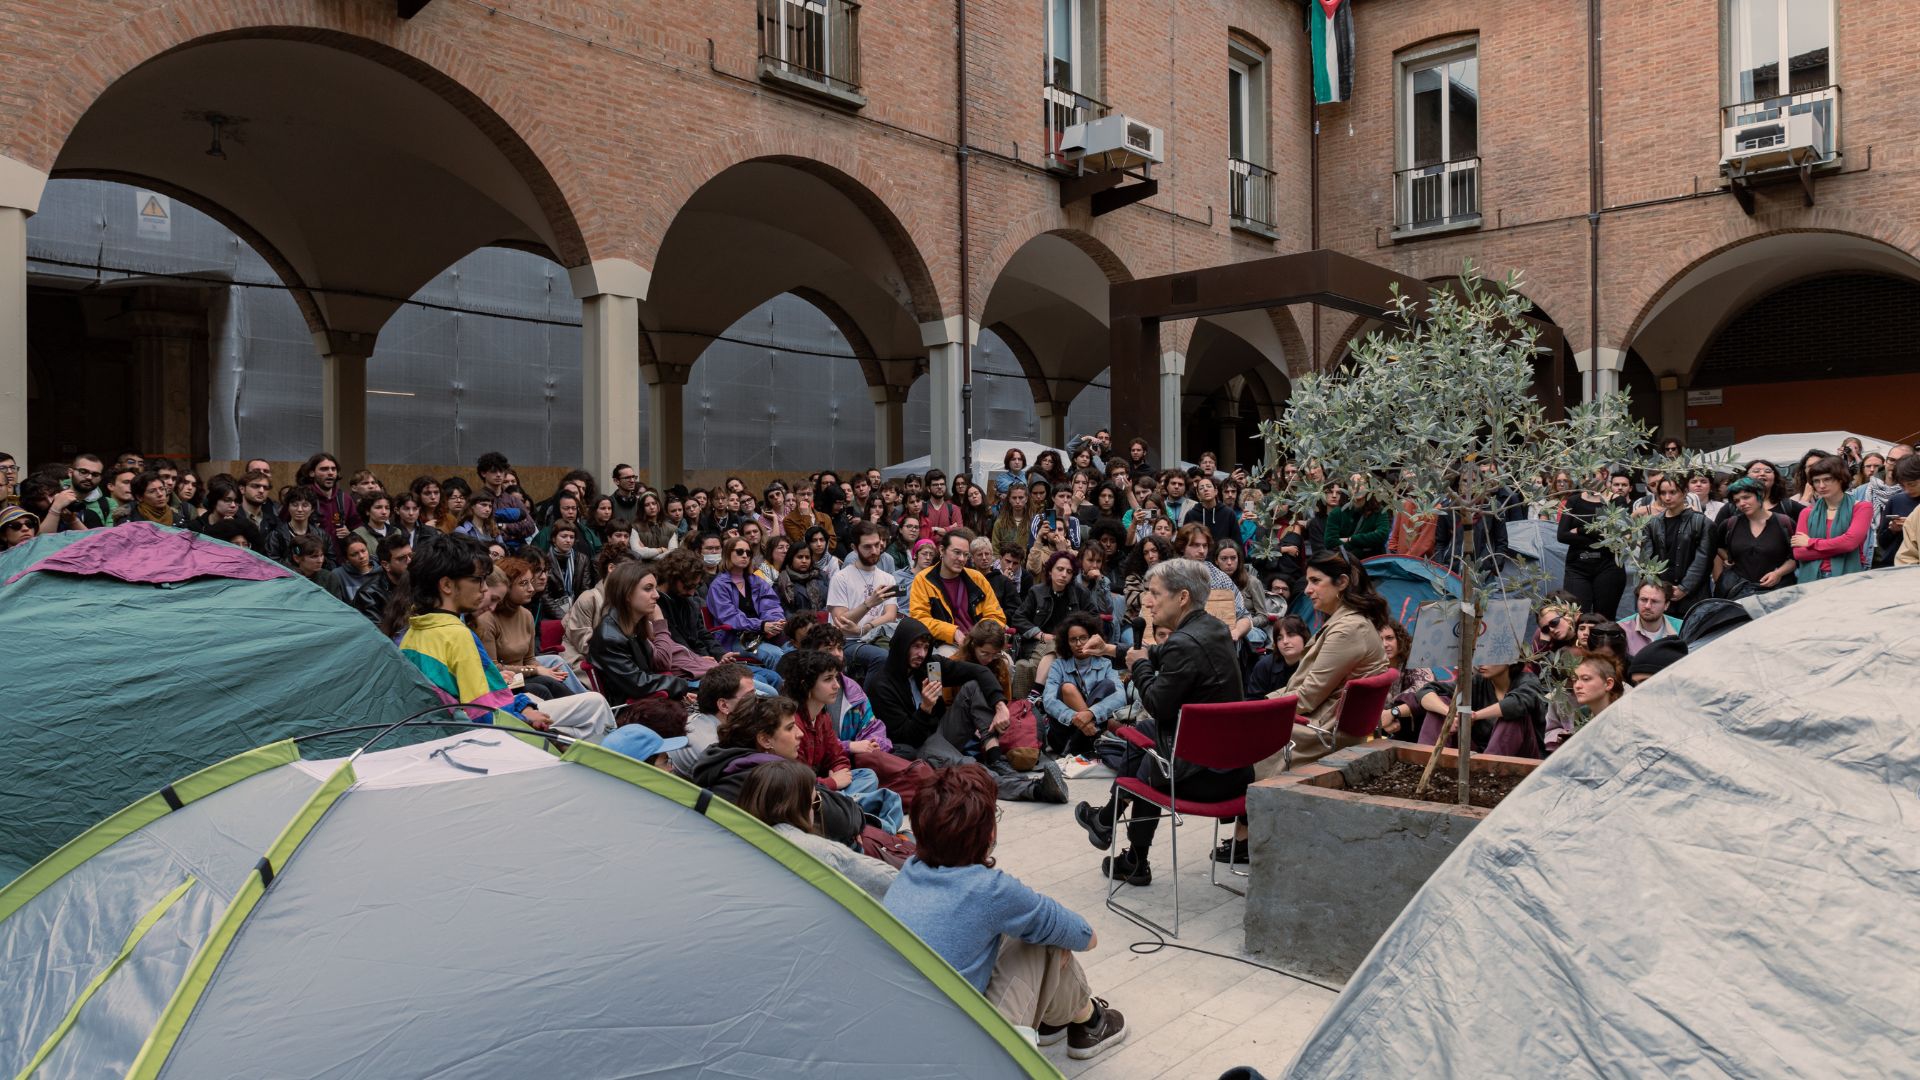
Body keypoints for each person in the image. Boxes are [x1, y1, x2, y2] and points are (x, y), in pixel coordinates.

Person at [885, 764, 1127, 1060]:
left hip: (902, 1032)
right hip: (960, 1052)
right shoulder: (990, 890)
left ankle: (1057, 1017)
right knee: (1047, 941)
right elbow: (1086, 937)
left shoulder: (909, 872)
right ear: (986, 832)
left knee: (1019, 929)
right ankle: (1089, 1020)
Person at [1072, 558, 1248, 884]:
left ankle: (1131, 854)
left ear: (1182, 597)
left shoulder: (1184, 642)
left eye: (1155, 593)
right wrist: (1110, 649)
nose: (1148, 601)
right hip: (1230, 765)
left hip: (1205, 777)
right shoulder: (1213, 628)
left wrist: (1138, 667)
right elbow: (1158, 655)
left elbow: (1156, 703)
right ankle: (1111, 827)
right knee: (1146, 733)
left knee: (1150, 755)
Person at [397, 532, 613, 740]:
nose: (484, 589)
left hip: (451, 728)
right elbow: (482, 713)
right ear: (446, 585)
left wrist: (523, 706)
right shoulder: (457, 635)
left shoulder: (412, 633)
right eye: (479, 580)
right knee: (594, 704)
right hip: (482, 734)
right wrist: (524, 715)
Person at [688, 695, 868, 844]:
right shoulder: (774, 778)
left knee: (868, 780)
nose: (800, 733)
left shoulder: (723, 762)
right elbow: (848, 820)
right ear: (765, 740)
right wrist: (824, 797)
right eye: (790, 728)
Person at [1271, 551, 1389, 766]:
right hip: (1322, 725)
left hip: (1319, 734)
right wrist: (1263, 702)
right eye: (1308, 581)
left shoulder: (1348, 629)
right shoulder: (1348, 622)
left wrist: (1260, 710)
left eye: (1315, 581)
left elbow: (1307, 697)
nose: (1307, 589)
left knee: (1233, 741)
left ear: (1342, 582)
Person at [777, 648, 904, 834]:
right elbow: (797, 781)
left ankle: (844, 806)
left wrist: (838, 772)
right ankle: (856, 814)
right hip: (805, 794)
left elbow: (837, 755)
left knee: (868, 775)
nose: (836, 685)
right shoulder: (793, 724)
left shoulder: (822, 717)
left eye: (836, 678)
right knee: (887, 798)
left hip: (824, 787)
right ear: (806, 685)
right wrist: (832, 782)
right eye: (828, 679)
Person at [737, 760, 897, 901]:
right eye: (816, 802)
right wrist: (854, 850)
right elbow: (893, 884)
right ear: (796, 809)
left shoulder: (735, 839)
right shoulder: (822, 852)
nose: (817, 810)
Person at [590, 561, 699, 708]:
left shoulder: (635, 624)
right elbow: (639, 684)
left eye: (655, 588)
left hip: (649, 701)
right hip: (631, 709)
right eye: (648, 589)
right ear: (627, 594)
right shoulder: (610, 637)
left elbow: (653, 670)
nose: (657, 595)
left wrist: (679, 690)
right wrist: (681, 685)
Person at [480, 555, 587, 697]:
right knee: (543, 686)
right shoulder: (487, 619)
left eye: (531, 582)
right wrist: (536, 670)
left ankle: (584, 700)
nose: (531, 589)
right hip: (501, 681)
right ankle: (583, 702)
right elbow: (493, 668)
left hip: (522, 675)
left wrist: (544, 671)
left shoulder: (526, 615)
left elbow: (529, 659)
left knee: (553, 675)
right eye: (523, 583)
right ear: (506, 587)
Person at [1416, 661, 1548, 758]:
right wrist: (1451, 715)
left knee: (1513, 715)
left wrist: (1473, 716)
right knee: (1441, 703)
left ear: (1510, 658)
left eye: (1489, 657)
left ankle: (1487, 770)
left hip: (1523, 757)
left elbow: (1517, 703)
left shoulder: (1528, 681)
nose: (1481, 662)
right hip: (1478, 755)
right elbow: (1426, 691)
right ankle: (1425, 763)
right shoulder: (1476, 682)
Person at [1039, 612, 1126, 758]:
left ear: (1093, 638)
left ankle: (1090, 738)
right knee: (1067, 688)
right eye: (1073, 640)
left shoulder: (1106, 664)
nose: (1079, 644)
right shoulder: (1058, 665)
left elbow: (1120, 697)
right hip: (1065, 735)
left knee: (1107, 685)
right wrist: (1076, 718)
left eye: (1083, 638)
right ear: (1066, 642)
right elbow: (1048, 700)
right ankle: (1093, 737)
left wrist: (1091, 713)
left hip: (1092, 730)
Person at [826, 521, 900, 685]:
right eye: (867, 547)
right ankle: (865, 700)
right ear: (854, 548)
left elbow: (890, 616)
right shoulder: (841, 578)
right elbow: (840, 622)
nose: (874, 551)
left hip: (876, 637)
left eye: (877, 545)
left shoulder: (888, 578)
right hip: (846, 642)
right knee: (881, 657)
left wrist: (864, 628)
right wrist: (868, 604)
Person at [908, 528, 1008, 650]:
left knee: (1006, 661)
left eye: (965, 555)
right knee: (949, 657)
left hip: (981, 642)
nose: (961, 559)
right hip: (944, 642)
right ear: (942, 550)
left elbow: (996, 616)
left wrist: (980, 635)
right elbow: (920, 618)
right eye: (957, 552)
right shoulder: (924, 580)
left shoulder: (977, 578)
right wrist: (952, 632)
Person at [706, 534, 791, 668]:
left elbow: (771, 605)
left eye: (748, 552)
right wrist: (762, 625)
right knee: (775, 655)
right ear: (728, 554)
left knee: (793, 651)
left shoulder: (756, 581)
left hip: (763, 633)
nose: (745, 555)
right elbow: (729, 617)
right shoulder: (719, 585)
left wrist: (774, 623)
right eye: (739, 552)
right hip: (736, 639)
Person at [1559, 468, 1629, 620]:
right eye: (1584, 476)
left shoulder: (1617, 501)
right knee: (1576, 616)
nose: (1588, 479)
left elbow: (1616, 535)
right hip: (1577, 567)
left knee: (1604, 619)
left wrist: (1581, 529)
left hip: (1608, 566)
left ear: (1604, 475)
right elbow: (1562, 535)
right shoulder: (1574, 501)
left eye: (1592, 475)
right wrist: (1599, 538)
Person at [1640, 475, 1712, 617]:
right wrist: (1656, 588)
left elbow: (1704, 560)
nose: (1667, 497)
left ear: (1684, 492)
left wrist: (1684, 588)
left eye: (1673, 492)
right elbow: (1646, 559)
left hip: (1694, 595)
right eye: (1663, 493)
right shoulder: (1652, 524)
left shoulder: (1702, 522)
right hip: (1662, 593)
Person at [1792, 453, 1871, 582]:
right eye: (1816, 481)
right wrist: (1839, 547)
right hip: (1813, 577)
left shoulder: (1861, 508)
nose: (1821, 485)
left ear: (1840, 479)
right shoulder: (1806, 512)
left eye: (1827, 479)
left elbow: (1849, 543)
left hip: (1848, 578)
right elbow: (1799, 553)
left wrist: (1810, 542)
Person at [1713, 477, 1797, 595]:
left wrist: (1778, 573)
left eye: (1746, 497)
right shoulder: (1730, 524)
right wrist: (1728, 558)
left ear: (1760, 494)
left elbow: (1795, 557)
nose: (1742, 503)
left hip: (1778, 592)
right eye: (1737, 500)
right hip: (1739, 591)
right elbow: (1717, 545)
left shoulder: (1784, 523)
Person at [296, 452, 361, 562]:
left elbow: (358, 528)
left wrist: (350, 533)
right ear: (312, 473)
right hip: (310, 562)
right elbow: (285, 527)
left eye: (333, 469)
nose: (330, 473)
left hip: (341, 562)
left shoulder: (344, 499)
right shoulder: (301, 497)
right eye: (324, 469)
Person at [1244, 614, 1310, 701]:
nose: (1285, 641)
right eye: (1279, 638)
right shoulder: (1264, 666)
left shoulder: (1315, 662)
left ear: (1304, 637)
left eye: (1291, 635)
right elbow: (1254, 701)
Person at [353, 533, 412, 626]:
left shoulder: (418, 580)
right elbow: (377, 632)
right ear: (386, 565)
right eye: (401, 558)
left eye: (411, 555)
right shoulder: (369, 594)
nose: (409, 561)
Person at [1622, 581, 1682, 656]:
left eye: (1654, 601)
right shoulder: (1621, 629)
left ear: (1666, 605)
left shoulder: (1682, 628)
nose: (1647, 606)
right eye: (1643, 600)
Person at [331, 536, 379, 603]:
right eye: (354, 554)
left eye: (363, 551)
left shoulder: (382, 570)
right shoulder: (338, 574)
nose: (361, 556)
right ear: (346, 558)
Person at [1893, 454, 1920, 566]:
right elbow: (1905, 558)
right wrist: (1892, 531)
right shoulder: (1916, 513)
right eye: (1902, 486)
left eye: (1911, 484)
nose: (1907, 490)